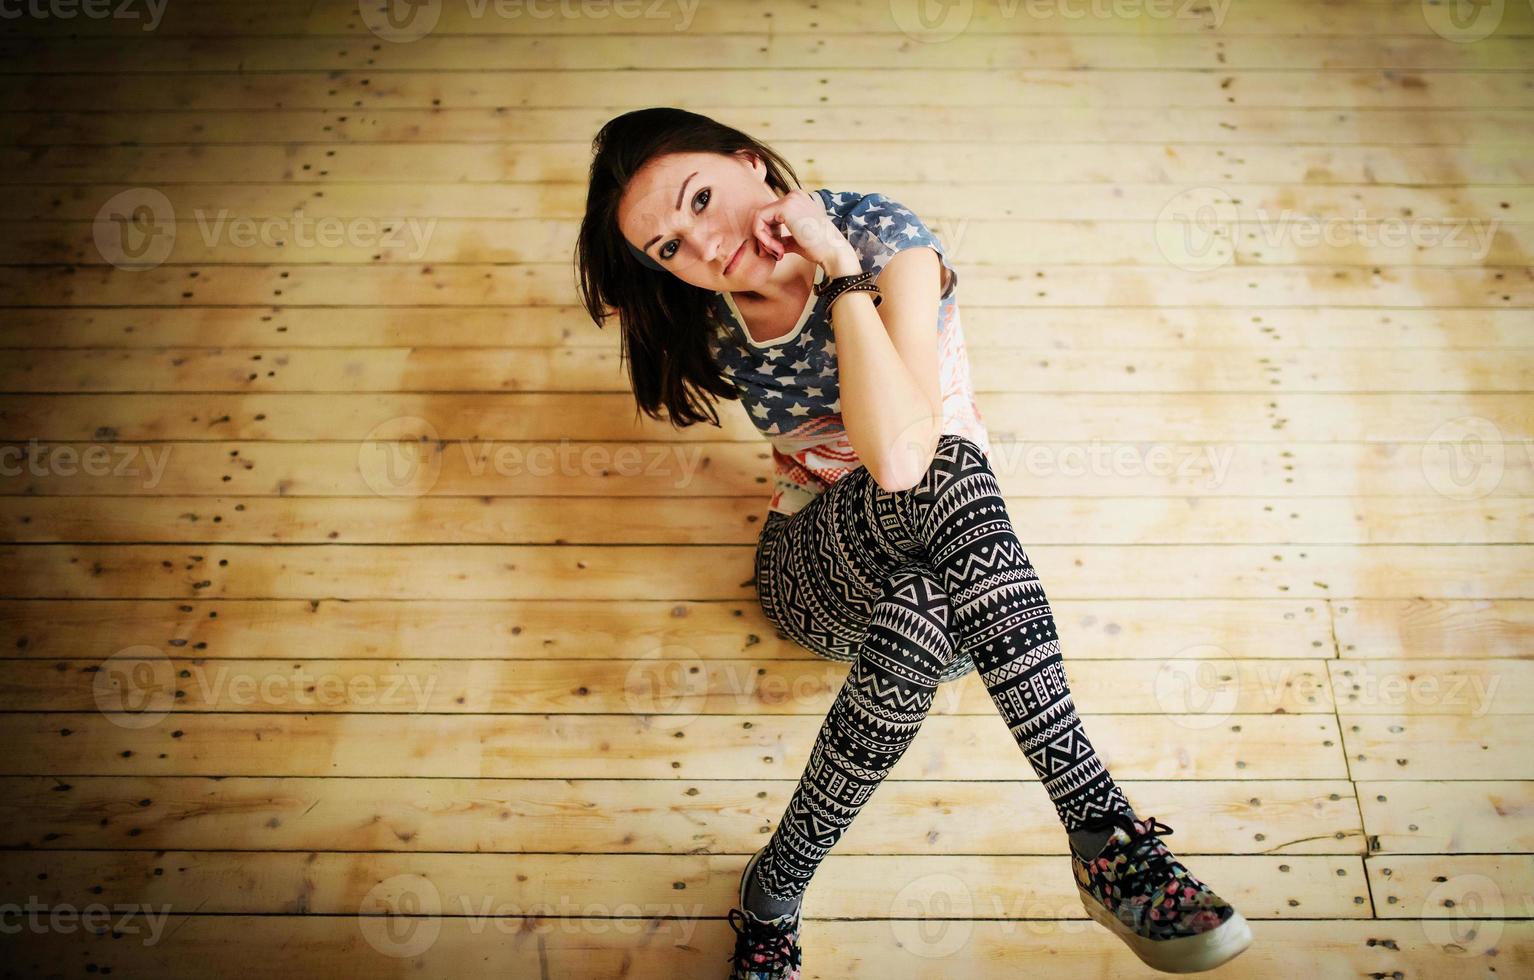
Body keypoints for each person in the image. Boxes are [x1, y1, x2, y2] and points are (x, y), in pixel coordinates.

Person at [575, 107, 1252, 978]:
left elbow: (903, 449)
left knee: (928, 587)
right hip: (817, 568)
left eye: (701, 198)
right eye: (668, 245)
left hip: (968, 583)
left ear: (752, 162)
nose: (702, 245)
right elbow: (898, 466)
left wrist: (841, 269)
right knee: (944, 475)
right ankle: (1103, 833)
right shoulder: (711, 318)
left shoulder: (886, 239)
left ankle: (772, 892)